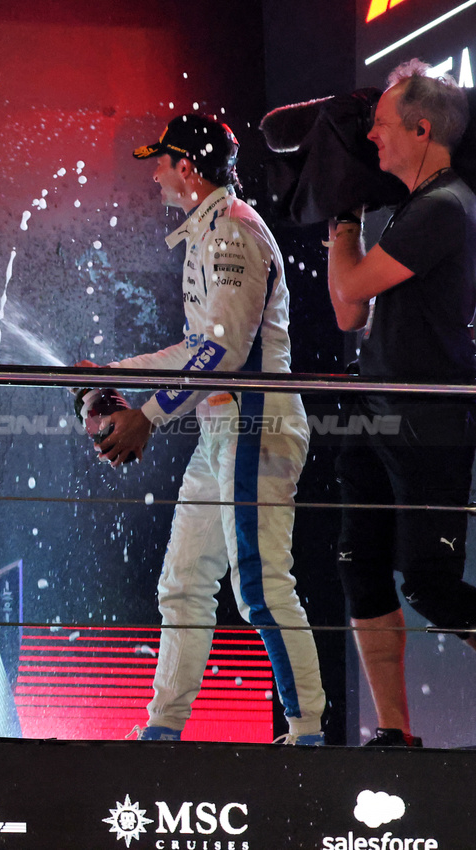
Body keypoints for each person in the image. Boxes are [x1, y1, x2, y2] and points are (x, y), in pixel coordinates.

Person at [83, 114, 326, 744]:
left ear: (187, 167)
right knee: (184, 582)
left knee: (262, 586)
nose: (156, 174)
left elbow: (223, 352)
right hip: (225, 424)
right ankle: (163, 729)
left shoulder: (231, 234)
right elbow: (202, 348)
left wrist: (146, 413)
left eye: (160, 162)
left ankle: (307, 736)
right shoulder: (213, 229)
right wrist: (112, 375)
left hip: (253, 423)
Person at [326, 59, 476, 748]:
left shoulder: (444, 206)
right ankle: (393, 735)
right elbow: (347, 315)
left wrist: (338, 217)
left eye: (382, 128)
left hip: (425, 428)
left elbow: (350, 288)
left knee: (429, 585)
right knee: (360, 572)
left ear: (421, 130)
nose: (373, 141)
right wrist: (346, 215)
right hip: (373, 413)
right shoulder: (415, 207)